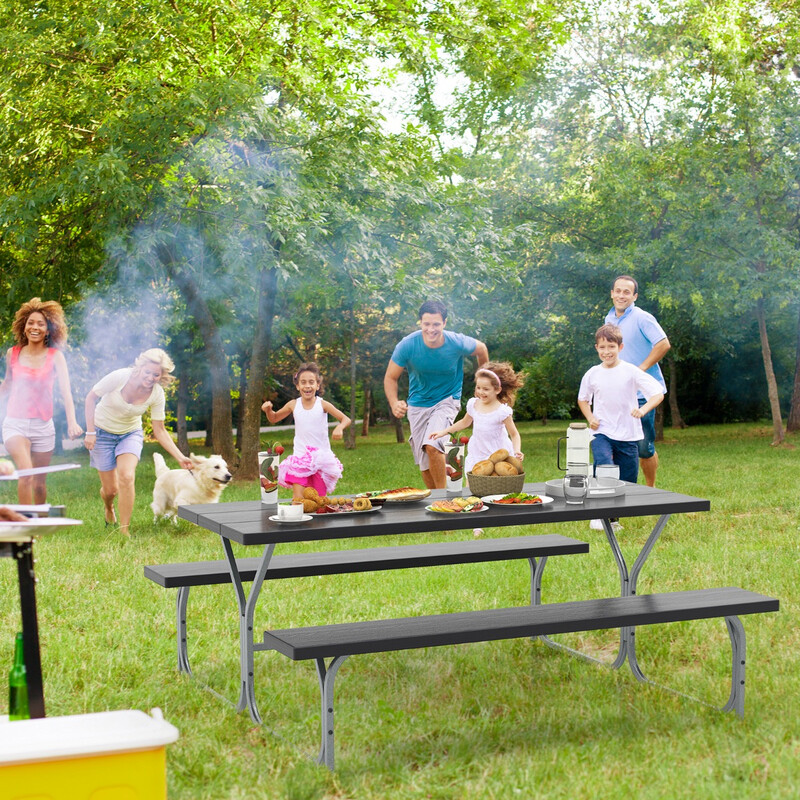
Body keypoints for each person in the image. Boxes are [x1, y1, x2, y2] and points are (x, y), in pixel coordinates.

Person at [84, 348, 192, 536]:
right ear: (140, 367)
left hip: (130, 433)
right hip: (101, 432)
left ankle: (124, 530)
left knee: (127, 476)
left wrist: (180, 457)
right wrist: (90, 432)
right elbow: (90, 397)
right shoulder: (120, 377)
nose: (150, 377)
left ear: (162, 375)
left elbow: (159, 430)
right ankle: (109, 507)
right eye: (147, 372)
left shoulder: (157, 394)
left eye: (156, 375)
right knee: (110, 490)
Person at [384, 300, 489, 489]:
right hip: (417, 404)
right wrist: (394, 402)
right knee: (424, 460)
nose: (431, 329)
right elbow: (391, 377)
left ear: (444, 323)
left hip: (447, 400)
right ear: (420, 322)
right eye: (426, 324)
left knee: (433, 446)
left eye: (436, 324)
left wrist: (482, 380)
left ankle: (444, 498)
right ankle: (437, 498)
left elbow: (481, 349)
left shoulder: (455, 342)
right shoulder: (407, 345)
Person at [578, 325, 664, 528]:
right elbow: (583, 399)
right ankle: (598, 515)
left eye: (611, 346)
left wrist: (643, 410)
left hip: (628, 434)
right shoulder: (592, 373)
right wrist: (590, 417)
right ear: (596, 348)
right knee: (605, 467)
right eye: (602, 347)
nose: (606, 351)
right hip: (601, 432)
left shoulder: (631, 371)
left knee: (627, 479)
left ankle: (613, 519)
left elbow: (657, 393)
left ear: (620, 347)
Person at [0, 298, 83, 504]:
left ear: (48, 330)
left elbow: (66, 392)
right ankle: (26, 523)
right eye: (30, 323)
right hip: (15, 423)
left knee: (38, 484)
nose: (34, 327)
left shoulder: (55, 357)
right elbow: (7, 384)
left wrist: (72, 422)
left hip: (43, 426)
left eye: (40, 324)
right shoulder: (12, 353)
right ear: (24, 326)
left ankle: (40, 520)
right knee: (26, 473)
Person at [605, 275, 670, 487]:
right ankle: (621, 488)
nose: (621, 295)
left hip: (643, 394)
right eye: (618, 291)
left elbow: (663, 344)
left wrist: (639, 370)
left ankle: (650, 489)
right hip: (618, 394)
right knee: (616, 443)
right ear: (612, 293)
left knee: (643, 447)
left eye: (627, 292)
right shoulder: (609, 319)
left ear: (635, 296)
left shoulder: (643, 318)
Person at [261, 362, 351, 501]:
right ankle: (297, 513)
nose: (307, 386)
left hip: (320, 460)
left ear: (317, 385)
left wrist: (339, 428)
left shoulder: (322, 404)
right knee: (298, 499)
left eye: (311, 382)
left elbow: (345, 419)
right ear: (298, 386)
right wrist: (268, 410)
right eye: (303, 382)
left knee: (319, 500)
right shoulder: (293, 404)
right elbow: (274, 418)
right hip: (300, 459)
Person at [429, 362, 524, 472]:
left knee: (495, 481)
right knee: (472, 480)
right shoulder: (473, 404)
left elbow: (514, 434)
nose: (481, 392)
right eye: (478, 387)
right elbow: (464, 422)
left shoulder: (502, 412)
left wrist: (517, 450)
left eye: (486, 389)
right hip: (477, 453)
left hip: (497, 454)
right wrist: (443, 432)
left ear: (497, 390)